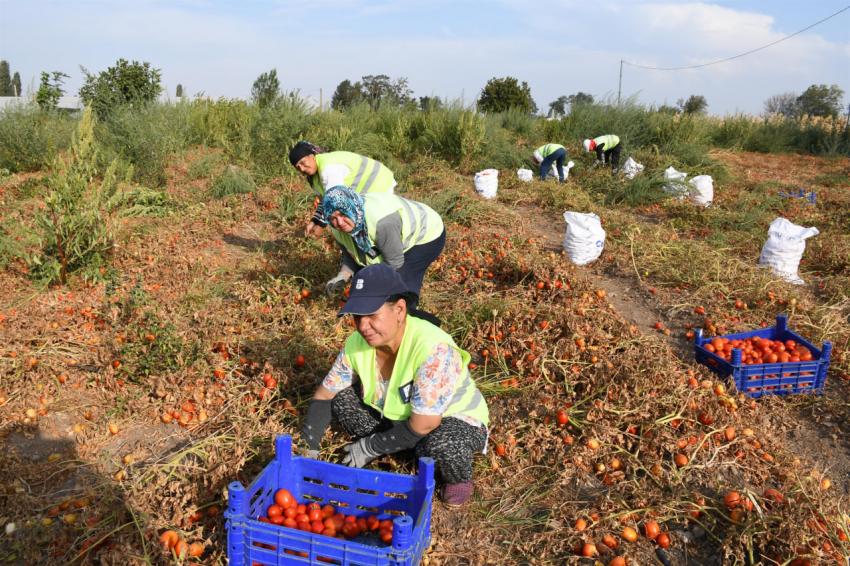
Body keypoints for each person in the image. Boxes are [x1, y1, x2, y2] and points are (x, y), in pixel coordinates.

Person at [300, 264, 489, 506]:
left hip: (451, 420)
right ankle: (403, 448)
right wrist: (309, 447)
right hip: (400, 419)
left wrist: (370, 446)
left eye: (372, 315)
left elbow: (426, 423)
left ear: (399, 309)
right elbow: (325, 395)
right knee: (341, 399)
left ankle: (458, 478)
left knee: (442, 445)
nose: (363, 326)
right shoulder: (357, 343)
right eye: (357, 317)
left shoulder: (432, 348)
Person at [320, 186, 445, 321]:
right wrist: (343, 276)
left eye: (343, 214)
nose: (339, 222)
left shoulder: (382, 223)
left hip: (426, 234)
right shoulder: (338, 229)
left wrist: (368, 288)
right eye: (333, 218)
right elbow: (351, 254)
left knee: (400, 292)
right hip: (392, 239)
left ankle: (422, 323)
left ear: (351, 207)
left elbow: (394, 262)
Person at [288, 141, 397, 238]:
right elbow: (325, 199)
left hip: (378, 183)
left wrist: (321, 226)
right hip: (363, 191)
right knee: (349, 221)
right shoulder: (313, 177)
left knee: (375, 223)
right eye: (298, 167)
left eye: (303, 162)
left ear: (312, 156)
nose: (302, 168)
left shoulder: (328, 168)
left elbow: (334, 202)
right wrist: (314, 221)